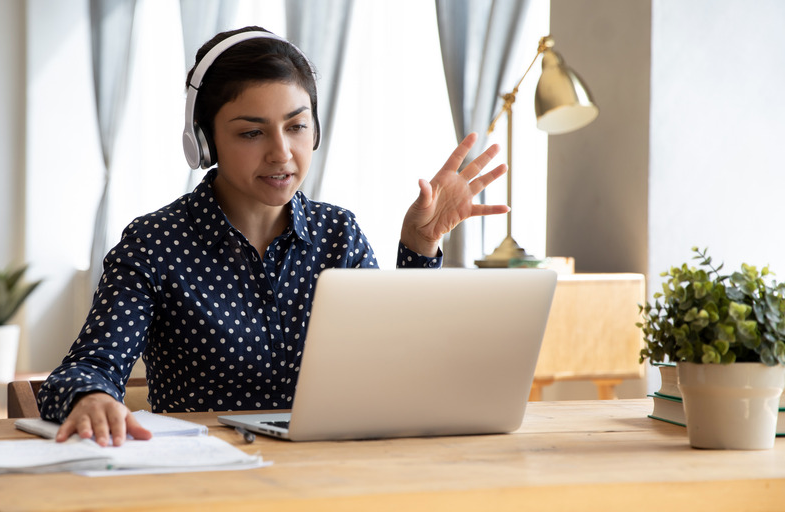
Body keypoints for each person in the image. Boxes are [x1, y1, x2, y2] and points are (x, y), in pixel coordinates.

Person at [37, 26, 508, 446]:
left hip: (330, 477)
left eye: (297, 125)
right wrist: (92, 397)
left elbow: (402, 365)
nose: (282, 153)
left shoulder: (337, 234)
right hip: (205, 480)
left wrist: (420, 247)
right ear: (204, 141)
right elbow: (84, 369)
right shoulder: (155, 243)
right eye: (250, 133)